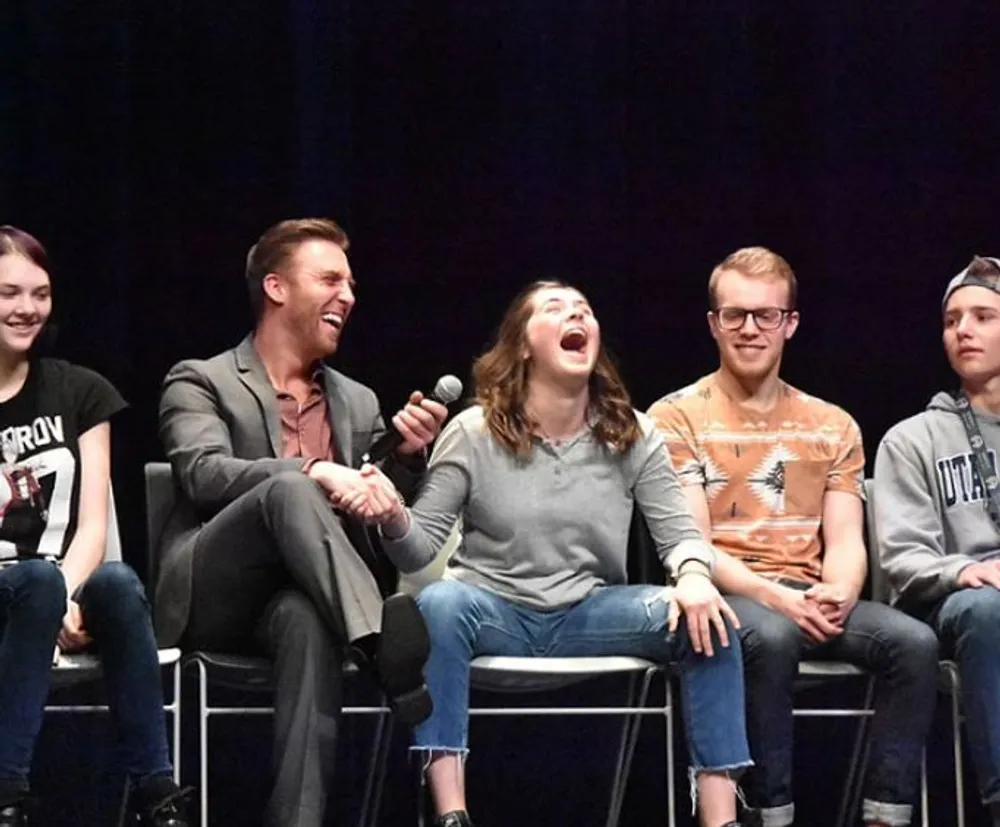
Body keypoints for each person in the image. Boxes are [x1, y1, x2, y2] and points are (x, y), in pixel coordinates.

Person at [354, 281, 754, 827]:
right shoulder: (472, 431)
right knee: (441, 604)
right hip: (494, 609)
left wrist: (692, 575)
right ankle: (451, 813)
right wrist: (394, 515)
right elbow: (418, 547)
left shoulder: (633, 432)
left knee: (708, 617)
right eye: (557, 309)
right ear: (522, 345)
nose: (577, 316)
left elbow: (680, 533)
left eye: (585, 310)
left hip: (592, 611)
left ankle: (721, 818)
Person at [155, 218, 447, 827]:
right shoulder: (200, 380)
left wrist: (407, 465)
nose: (349, 296)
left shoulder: (359, 402)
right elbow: (204, 474)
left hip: (309, 595)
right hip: (215, 592)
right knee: (290, 483)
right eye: (330, 279)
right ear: (277, 287)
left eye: (352, 284)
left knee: (306, 621)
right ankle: (377, 645)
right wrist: (313, 469)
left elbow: (373, 517)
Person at [648, 246, 939, 827]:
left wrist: (840, 591)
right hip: (728, 597)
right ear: (713, 324)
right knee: (773, 638)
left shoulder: (833, 425)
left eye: (766, 315)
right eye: (735, 315)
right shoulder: (674, 417)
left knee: (915, 645)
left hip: (810, 593)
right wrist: (779, 598)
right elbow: (692, 544)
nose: (750, 329)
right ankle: (770, 814)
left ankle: (886, 814)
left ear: (791, 323)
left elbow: (847, 538)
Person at [0, 226, 190, 826]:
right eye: (8, 293)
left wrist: (63, 596)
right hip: (11, 589)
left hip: (61, 589)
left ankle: (154, 789)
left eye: (40, 293)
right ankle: (6, 787)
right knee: (33, 582)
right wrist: (46, 591)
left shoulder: (82, 391)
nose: (27, 308)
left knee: (119, 583)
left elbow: (92, 522)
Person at [874, 254, 1000, 827]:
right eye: (952, 320)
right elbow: (904, 558)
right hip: (957, 606)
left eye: (982, 316)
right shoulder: (912, 438)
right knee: (987, 608)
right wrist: (966, 571)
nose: (963, 330)